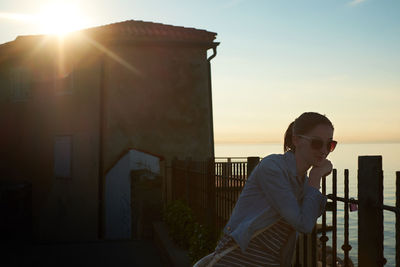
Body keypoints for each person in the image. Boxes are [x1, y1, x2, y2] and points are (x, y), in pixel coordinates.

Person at [194, 112, 337, 267]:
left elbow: (308, 218)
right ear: (296, 140)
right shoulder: (273, 168)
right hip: (237, 259)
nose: (324, 150)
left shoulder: (303, 183)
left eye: (330, 144)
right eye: (317, 143)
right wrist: (316, 176)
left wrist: (312, 182)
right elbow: (304, 224)